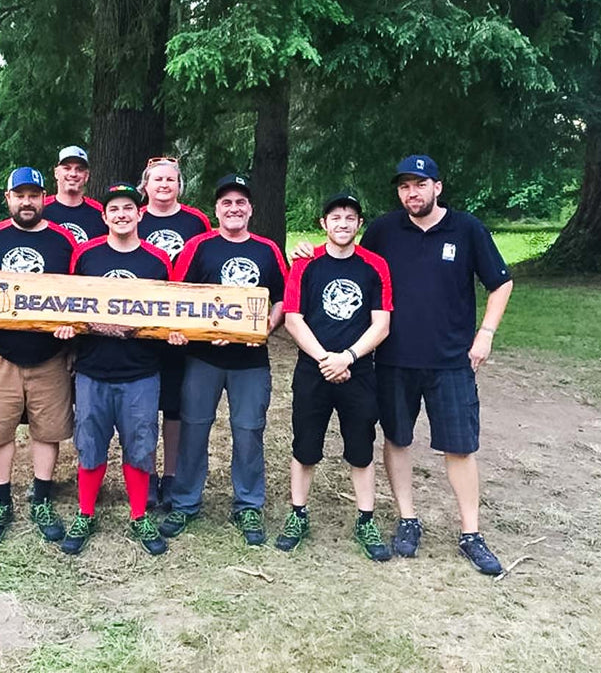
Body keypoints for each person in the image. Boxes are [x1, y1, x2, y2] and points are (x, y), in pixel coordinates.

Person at [362, 155, 514, 574]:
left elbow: (501, 283)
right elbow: (353, 266)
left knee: (460, 447)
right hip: (394, 358)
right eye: (405, 186)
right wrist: (308, 252)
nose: (412, 192)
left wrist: (485, 334)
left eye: (420, 184)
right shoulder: (383, 231)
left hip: (451, 361)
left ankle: (471, 533)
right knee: (397, 439)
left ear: (437, 187)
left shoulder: (466, 229)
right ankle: (407, 520)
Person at [159, 174, 287, 546]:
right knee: (193, 428)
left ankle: (248, 503)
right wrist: (191, 331)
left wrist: (267, 325)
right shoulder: (199, 246)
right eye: (226, 203)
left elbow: (281, 296)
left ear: (250, 209)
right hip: (203, 357)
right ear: (217, 209)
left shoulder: (267, 249)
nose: (234, 209)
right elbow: (178, 296)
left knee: (249, 431)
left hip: (250, 359)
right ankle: (185, 502)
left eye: (240, 203)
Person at [53, 183, 174, 556]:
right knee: (89, 443)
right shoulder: (85, 256)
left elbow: (174, 309)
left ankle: (139, 515)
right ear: (104, 216)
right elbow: (67, 302)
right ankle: (86, 512)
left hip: (141, 371)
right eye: (114, 209)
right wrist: (66, 331)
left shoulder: (157, 261)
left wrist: (175, 334)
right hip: (93, 369)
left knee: (140, 444)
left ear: (140, 214)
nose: (122, 214)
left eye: (128, 208)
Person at [0, 167, 78, 544]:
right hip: (0, 351)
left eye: (34, 195)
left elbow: (77, 294)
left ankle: (42, 499)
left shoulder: (63, 242)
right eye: (20, 195)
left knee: (49, 430)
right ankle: (1, 500)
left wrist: (71, 329)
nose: (27, 202)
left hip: (50, 353)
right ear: (8, 198)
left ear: (44, 197)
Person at [277, 192, 393, 561]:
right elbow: (293, 319)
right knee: (305, 445)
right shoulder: (306, 264)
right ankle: (298, 513)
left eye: (350, 217)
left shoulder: (375, 266)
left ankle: (365, 519)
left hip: (358, 370)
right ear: (323, 224)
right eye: (335, 217)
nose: (343, 223)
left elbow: (382, 323)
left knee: (360, 448)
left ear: (360, 224)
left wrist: (349, 357)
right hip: (313, 369)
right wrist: (326, 358)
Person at [135, 157, 211, 507]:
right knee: (145, 406)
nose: (164, 184)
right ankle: (147, 475)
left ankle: (172, 475)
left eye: (171, 179)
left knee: (176, 407)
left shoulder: (196, 221)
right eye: (157, 179)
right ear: (146, 185)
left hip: (184, 327)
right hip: (142, 324)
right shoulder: (135, 214)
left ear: (180, 184)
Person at [42, 145, 107, 244]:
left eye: (79, 169)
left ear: (86, 176)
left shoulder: (101, 214)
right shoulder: (40, 209)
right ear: (56, 173)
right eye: (67, 168)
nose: (73, 174)